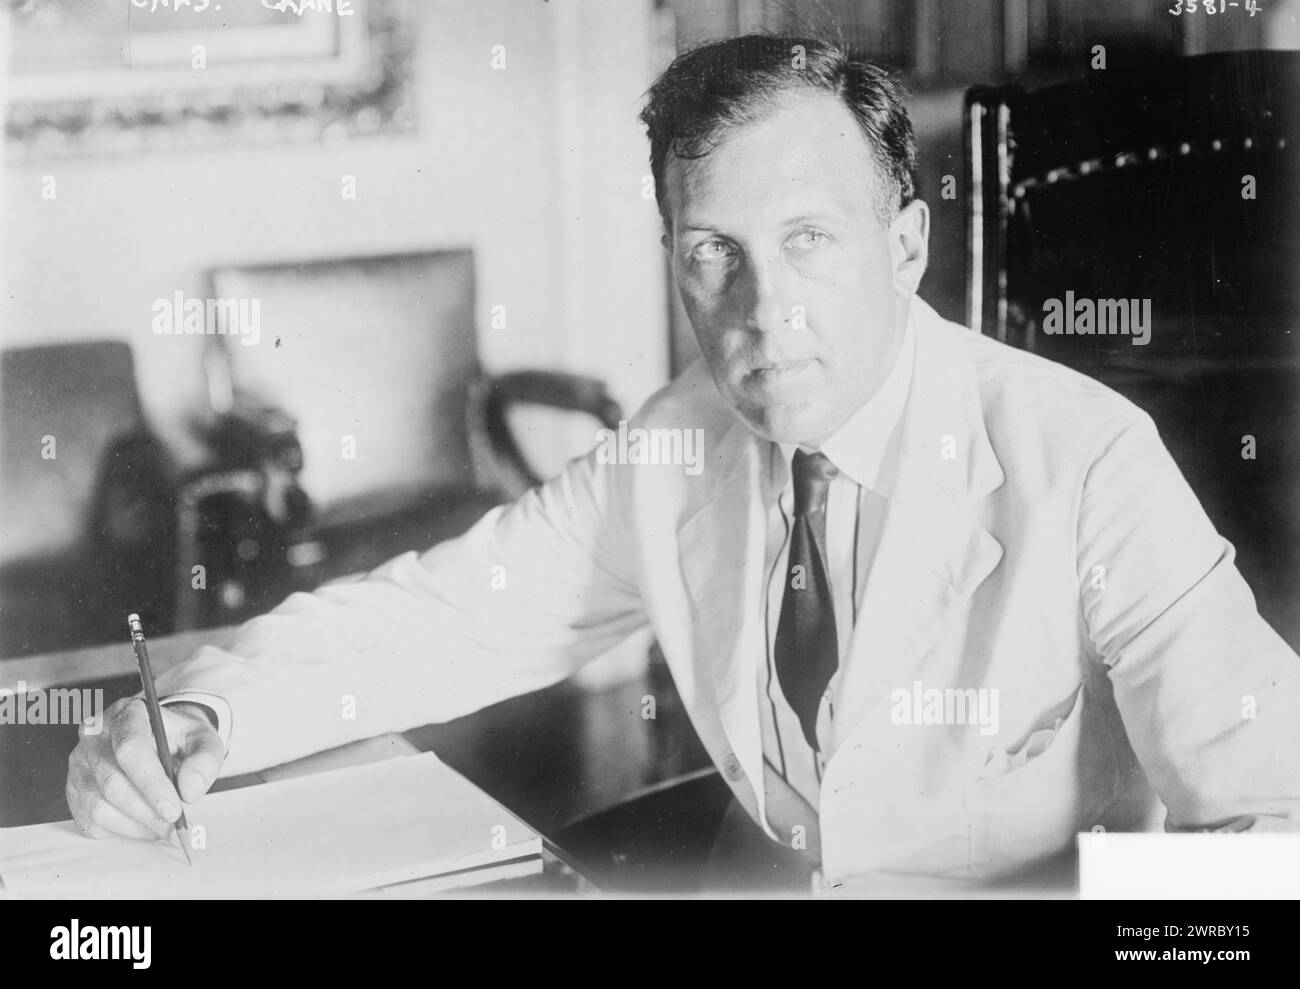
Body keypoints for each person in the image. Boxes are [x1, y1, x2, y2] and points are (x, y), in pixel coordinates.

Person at [65, 35, 1300, 887]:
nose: (763, 310)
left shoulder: (1084, 458)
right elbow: (433, 619)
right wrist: (197, 710)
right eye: (713, 251)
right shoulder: (677, 440)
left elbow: (1274, 822)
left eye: (810, 238)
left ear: (909, 244)